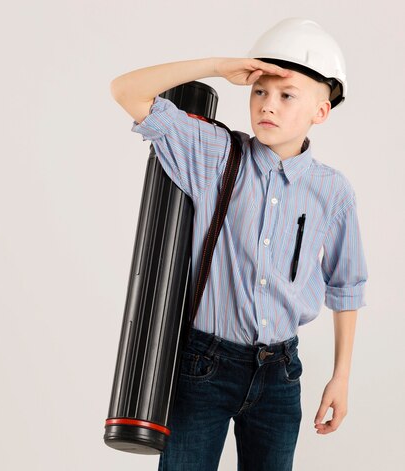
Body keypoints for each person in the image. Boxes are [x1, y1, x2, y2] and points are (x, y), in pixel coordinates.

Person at [109, 18, 368, 471]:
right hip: (203, 366)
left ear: (320, 111)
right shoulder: (212, 154)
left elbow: (346, 286)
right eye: (259, 92)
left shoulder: (333, 192)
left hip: (280, 374)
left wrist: (341, 377)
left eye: (286, 96)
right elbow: (126, 90)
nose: (268, 105)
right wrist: (217, 66)